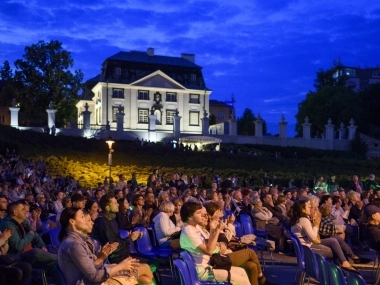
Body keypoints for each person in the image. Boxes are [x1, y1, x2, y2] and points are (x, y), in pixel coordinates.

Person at [180, 200, 271, 285]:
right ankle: (262, 280)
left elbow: (208, 242)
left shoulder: (195, 227)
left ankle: (261, 279)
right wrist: (216, 231)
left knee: (243, 272)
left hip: (211, 263)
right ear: (190, 216)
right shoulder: (188, 231)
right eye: (198, 213)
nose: (202, 215)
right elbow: (209, 250)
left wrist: (214, 232)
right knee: (243, 280)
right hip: (205, 270)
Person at [58, 207, 144, 285]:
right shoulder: (74, 244)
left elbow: (93, 268)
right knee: (139, 276)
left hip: (91, 280)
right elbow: (94, 276)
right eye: (82, 217)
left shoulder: (78, 241)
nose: (90, 222)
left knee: (143, 274)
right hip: (88, 282)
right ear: (72, 222)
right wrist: (120, 266)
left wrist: (103, 260)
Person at [290, 199, 358, 273]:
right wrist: (316, 224)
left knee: (335, 240)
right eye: (309, 207)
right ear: (302, 209)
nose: (311, 208)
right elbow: (313, 238)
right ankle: (337, 272)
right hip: (307, 249)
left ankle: (344, 264)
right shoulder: (304, 220)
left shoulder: (299, 219)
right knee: (336, 249)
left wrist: (314, 222)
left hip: (305, 247)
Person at [0, 200, 57, 274]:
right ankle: (62, 257)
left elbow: (35, 235)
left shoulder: (24, 221)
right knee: (36, 252)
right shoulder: (8, 225)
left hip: (31, 252)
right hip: (18, 257)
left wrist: (42, 246)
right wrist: (30, 234)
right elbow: (18, 246)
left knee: (54, 266)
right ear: (15, 212)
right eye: (23, 209)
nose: (26, 211)